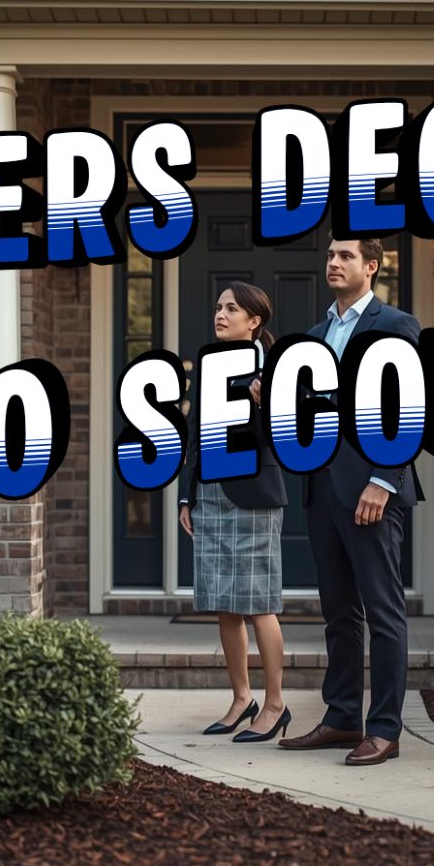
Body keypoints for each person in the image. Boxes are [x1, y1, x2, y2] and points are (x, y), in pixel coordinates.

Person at [275, 235, 424, 766]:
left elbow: (408, 405)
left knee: (384, 613)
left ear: (372, 266)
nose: (333, 263)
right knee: (338, 613)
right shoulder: (314, 338)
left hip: (372, 491)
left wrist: (384, 480)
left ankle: (385, 728)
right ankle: (341, 718)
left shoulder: (395, 326)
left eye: (345, 257)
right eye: (330, 256)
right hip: (322, 489)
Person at [178, 282, 291, 743]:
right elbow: (197, 437)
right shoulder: (211, 369)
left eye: (231, 308)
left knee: (259, 605)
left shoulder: (274, 370)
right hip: (211, 494)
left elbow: (290, 439)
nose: (220, 314)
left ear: (254, 321)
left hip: (254, 495)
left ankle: (277, 703)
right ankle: (241, 697)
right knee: (224, 605)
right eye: (218, 306)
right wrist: (188, 496)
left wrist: (268, 403)